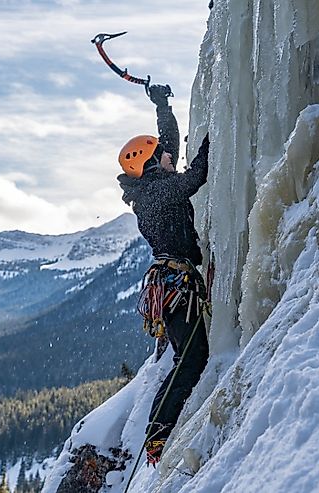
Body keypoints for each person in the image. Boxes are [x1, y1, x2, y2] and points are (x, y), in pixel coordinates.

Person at [117, 84, 210, 466]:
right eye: (162, 156)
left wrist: (162, 105)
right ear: (153, 165)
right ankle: (158, 431)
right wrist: (211, 142)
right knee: (190, 358)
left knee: (190, 356)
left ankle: (160, 426)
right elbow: (196, 177)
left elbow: (167, 143)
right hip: (174, 286)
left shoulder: (154, 187)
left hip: (174, 284)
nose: (171, 155)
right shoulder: (156, 195)